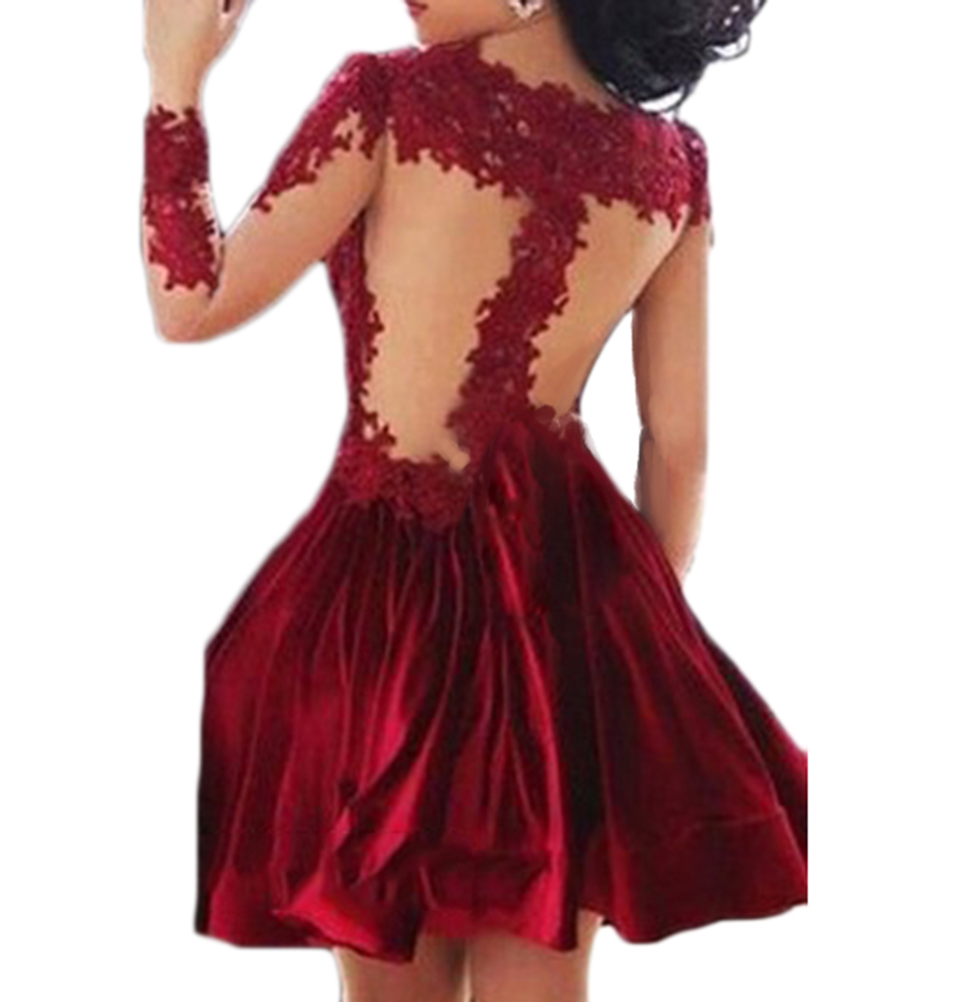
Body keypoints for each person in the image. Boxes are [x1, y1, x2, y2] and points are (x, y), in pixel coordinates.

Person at [141, 1, 807, 999]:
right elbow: (679, 447)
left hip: (384, 612)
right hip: (569, 611)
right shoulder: (673, 169)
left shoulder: (389, 101)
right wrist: (623, 654)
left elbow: (191, 300)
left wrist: (175, 85)